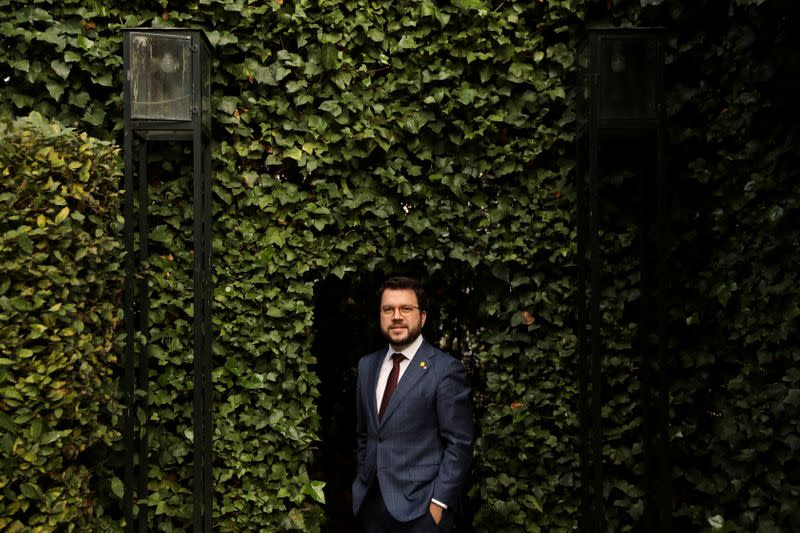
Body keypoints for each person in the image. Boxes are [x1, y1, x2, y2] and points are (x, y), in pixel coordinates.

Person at [352, 276, 474, 532]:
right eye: (389, 309)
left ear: (423, 317)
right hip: (372, 507)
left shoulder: (445, 370)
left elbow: (459, 444)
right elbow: (366, 433)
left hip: (422, 511)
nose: (397, 316)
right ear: (381, 316)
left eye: (406, 309)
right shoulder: (367, 366)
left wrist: (438, 505)